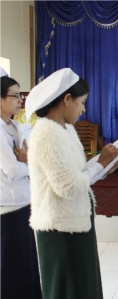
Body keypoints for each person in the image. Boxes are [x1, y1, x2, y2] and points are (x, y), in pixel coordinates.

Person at [25, 68, 118, 299]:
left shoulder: (66, 130)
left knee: (83, 287)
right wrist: (100, 162)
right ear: (66, 99)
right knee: (68, 290)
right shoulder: (47, 134)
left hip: (76, 221)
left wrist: (109, 165)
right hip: (60, 228)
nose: (83, 109)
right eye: (81, 102)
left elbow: (79, 173)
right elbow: (69, 187)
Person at [0, 76, 42, 298]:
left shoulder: (16, 126)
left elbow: (28, 158)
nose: (20, 99)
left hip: (25, 202)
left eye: (20, 95)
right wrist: (32, 165)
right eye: (15, 95)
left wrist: (29, 161)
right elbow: (13, 170)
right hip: (8, 208)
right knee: (12, 270)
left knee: (27, 266)